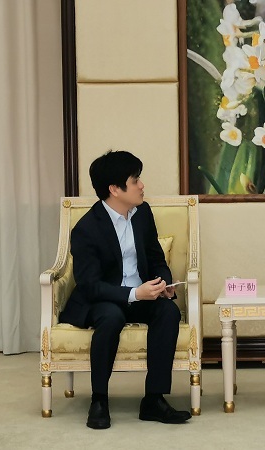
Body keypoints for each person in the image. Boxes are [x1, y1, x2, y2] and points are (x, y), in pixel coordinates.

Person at [59, 150, 191, 429]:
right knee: (111, 317)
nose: (142, 185)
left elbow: (155, 258)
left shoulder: (142, 214)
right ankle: (99, 400)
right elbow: (90, 285)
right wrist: (134, 294)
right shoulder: (87, 229)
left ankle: (154, 400)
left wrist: (163, 283)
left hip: (140, 293)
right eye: (135, 180)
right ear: (115, 189)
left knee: (167, 312)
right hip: (103, 298)